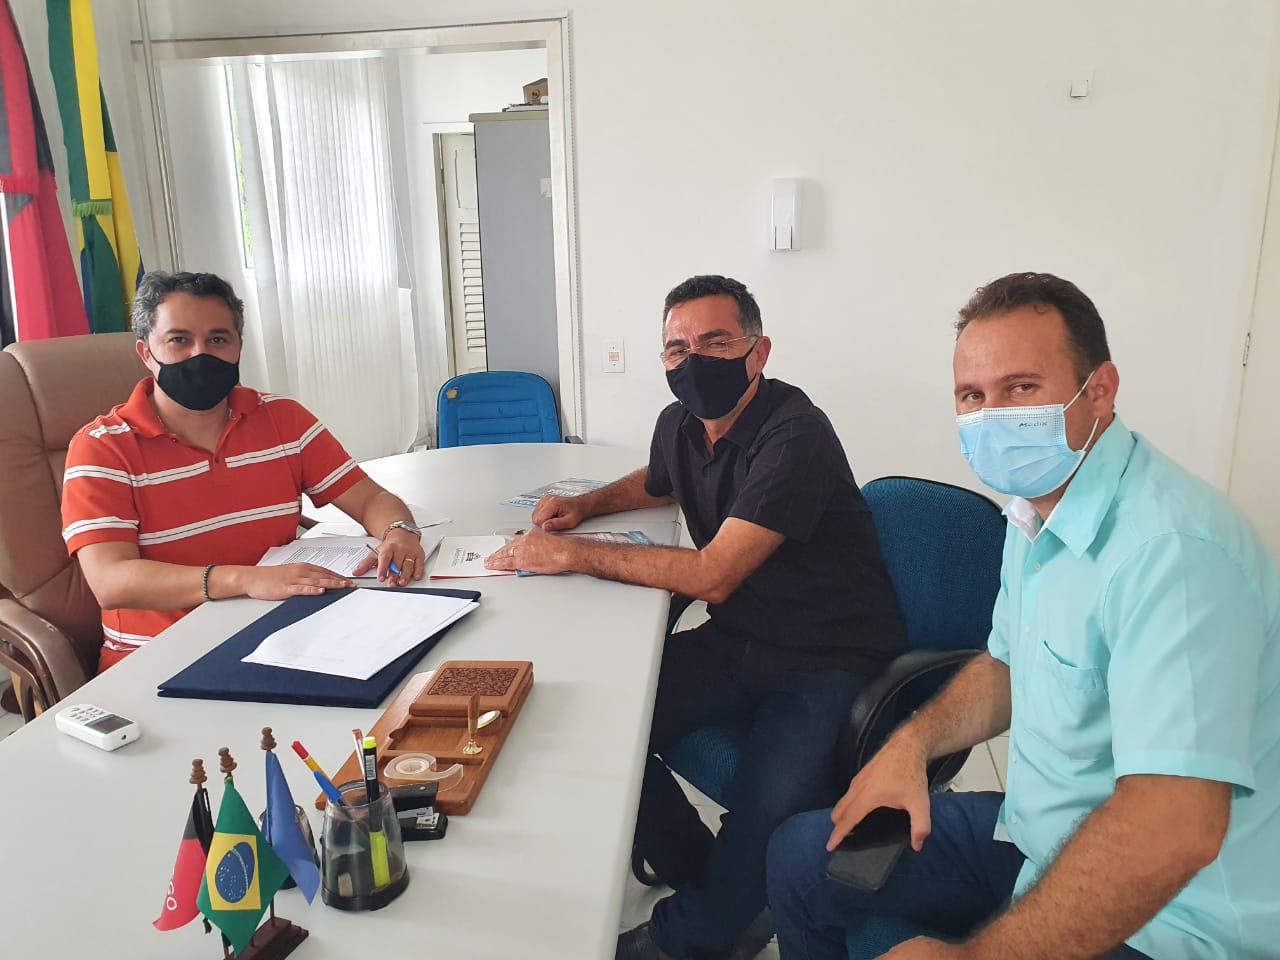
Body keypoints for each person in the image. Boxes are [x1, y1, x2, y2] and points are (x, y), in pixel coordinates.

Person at [765, 272, 1280, 960]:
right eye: (972, 397)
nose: (993, 418)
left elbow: (1173, 831)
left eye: (1021, 388)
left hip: (1172, 917)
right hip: (1038, 841)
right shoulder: (1035, 509)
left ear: (1099, 390)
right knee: (801, 860)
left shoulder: (1174, 555)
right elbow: (1005, 664)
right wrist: (911, 746)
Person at [485, 275, 906, 960]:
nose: (694, 361)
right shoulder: (679, 423)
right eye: (677, 349)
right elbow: (659, 481)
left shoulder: (795, 434)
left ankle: (694, 938)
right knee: (596, 723)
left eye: (716, 342)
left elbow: (713, 574)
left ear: (758, 351)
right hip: (741, 636)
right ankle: (704, 879)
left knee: (769, 812)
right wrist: (587, 505)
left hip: (828, 656)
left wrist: (573, 553)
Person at [61, 270, 428, 672]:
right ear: (146, 352)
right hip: (160, 660)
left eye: (217, 339)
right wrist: (246, 580)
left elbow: (371, 498)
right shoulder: (102, 448)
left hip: (284, 636)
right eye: (179, 340)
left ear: (238, 346)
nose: (200, 354)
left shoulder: (283, 419)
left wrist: (399, 532)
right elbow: (111, 581)